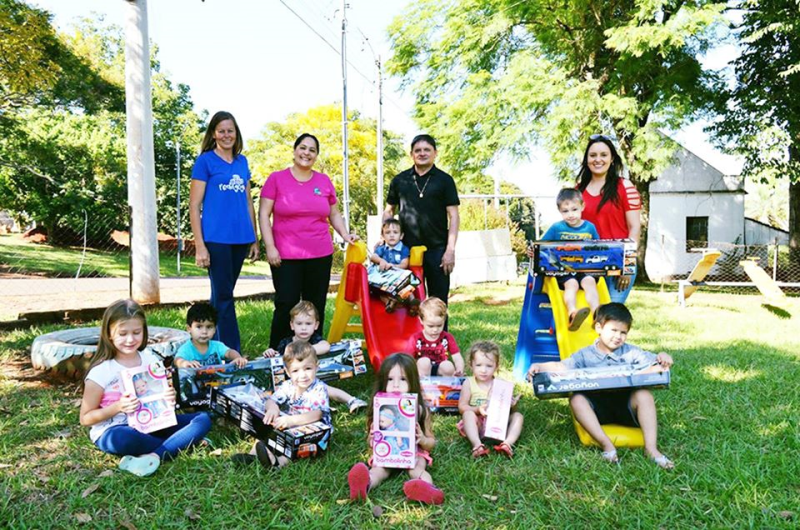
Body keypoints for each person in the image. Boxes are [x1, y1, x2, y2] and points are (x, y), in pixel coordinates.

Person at [526, 303, 674, 469]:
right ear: (599, 328)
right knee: (576, 399)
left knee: (644, 395)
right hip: (597, 411)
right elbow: (562, 366)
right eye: (613, 330)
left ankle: (651, 449)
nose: (618, 336)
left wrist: (663, 356)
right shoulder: (585, 354)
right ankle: (607, 445)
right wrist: (540, 366)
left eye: (623, 332)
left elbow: (656, 361)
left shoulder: (630, 352)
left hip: (625, 407)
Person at [79, 300, 212, 477]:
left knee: (202, 419)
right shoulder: (101, 371)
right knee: (124, 439)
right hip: (116, 429)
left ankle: (154, 455)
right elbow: (86, 418)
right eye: (122, 333)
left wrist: (169, 397)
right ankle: (180, 444)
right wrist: (118, 407)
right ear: (109, 334)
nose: (130, 339)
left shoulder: (150, 360)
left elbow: (160, 397)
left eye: (136, 332)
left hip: (152, 423)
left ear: (144, 332)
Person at [259, 133, 358, 348]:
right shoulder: (277, 179)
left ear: (316, 156)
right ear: (294, 151)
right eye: (303, 148)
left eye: (312, 150)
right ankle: (278, 352)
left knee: (315, 305)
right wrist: (270, 247)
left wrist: (345, 234)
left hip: (320, 253)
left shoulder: (323, 181)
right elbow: (263, 214)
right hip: (285, 254)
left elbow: (334, 214)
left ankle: (313, 354)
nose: (307, 153)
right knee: (286, 304)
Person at [189, 111, 259, 353]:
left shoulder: (242, 162)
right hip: (216, 239)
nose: (226, 135)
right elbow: (194, 205)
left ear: (236, 133)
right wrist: (200, 245)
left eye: (231, 130)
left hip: (240, 239)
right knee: (224, 297)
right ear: (214, 134)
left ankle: (208, 345)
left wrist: (254, 238)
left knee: (221, 296)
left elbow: (249, 201)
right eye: (221, 131)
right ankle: (231, 352)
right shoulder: (205, 161)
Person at [347, 353, 445, 505]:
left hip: (413, 452)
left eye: (403, 379)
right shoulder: (380, 407)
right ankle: (364, 486)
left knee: (416, 469)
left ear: (413, 382)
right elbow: (370, 441)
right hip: (387, 451)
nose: (396, 385)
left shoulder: (420, 409)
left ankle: (427, 489)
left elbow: (431, 442)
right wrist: (372, 438)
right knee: (379, 469)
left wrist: (423, 440)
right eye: (390, 379)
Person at [384, 134, 459, 325]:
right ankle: (410, 341)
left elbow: (454, 216)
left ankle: (439, 343)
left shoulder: (445, 180)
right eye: (418, 150)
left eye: (427, 150)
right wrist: (387, 238)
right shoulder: (400, 180)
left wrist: (450, 250)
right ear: (411, 154)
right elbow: (389, 210)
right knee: (407, 298)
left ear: (435, 153)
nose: (422, 153)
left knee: (438, 300)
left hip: (437, 250)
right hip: (405, 251)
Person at [233, 341, 331, 468]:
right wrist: (273, 409)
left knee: (292, 449)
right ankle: (254, 455)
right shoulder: (288, 386)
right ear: (288, 372)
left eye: (308, 368)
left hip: (314, 433)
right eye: (295, 371)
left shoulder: (319, 388)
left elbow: (317, 414)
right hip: (291, 426)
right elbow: (271, 400)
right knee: (267, 427)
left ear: (316, 367)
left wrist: (291, 420)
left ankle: (277, 464)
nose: (302, 375)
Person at [262, 301, 367, 413]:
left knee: (326, 389)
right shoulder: (286, 343)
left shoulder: (314, 339)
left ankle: (352, 400)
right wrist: (270, 352)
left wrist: (305, 351)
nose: (303, 328)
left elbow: (326, 346)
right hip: (291, 383)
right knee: (281, 398)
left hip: (310, 380)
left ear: (316, 325)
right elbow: (277, 357)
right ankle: (320, 408)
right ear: (292, 325)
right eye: (299, 324)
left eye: (308, 324)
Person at [576, 135, 641, 303]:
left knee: (610, 319)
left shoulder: (625, 186)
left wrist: (627, 266)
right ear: (586, 159)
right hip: (587, 265)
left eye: (604, 155)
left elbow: (634, 228)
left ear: (612, 159)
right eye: (593, 155)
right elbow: (569, 229)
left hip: (618, 261)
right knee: (590, 320)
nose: (598, 159)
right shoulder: (577, 191)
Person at [541, 188, 601, 331]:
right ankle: (572, 313)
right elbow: (542, 246)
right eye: (565, 211)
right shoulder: (557, 228)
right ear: (560, 211)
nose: (571, 214)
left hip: (585, 268)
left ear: (582, 206)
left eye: (574, 209)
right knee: (572, 284)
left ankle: (597, 314)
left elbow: (600, 246)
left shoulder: (590, 228)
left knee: (590, 282)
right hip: (564, 268)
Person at [457, 341, 523, 459]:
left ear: (496, 366)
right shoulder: (469, 383)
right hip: (478, 424)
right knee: (468, 414)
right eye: (479, 365)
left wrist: (511, 405)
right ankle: (477, 445)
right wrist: (477, 409)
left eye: (489, 366)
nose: (483, 370)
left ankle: (507, 444)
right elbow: (462, 407)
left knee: (518, 416)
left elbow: (507, 410)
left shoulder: (501, 384)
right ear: (471, 365)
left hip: (499, 424)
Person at [369, 218, 421, 314]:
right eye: (388, 232)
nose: (392, 235)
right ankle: (388, 302)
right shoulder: (382, 249)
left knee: (407, 281)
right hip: (384, 279)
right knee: (377, 290)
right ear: (383, 236)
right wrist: (381, 261)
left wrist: (393, 266)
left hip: (397, 277)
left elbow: (404, 264)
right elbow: (373, 257)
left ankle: (412, 302)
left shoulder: (403, 249)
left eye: (395, 232)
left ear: (401, 236)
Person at [174, 302, 248, 368]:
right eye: (199, 327)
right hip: (195, 383)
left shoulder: (217, 346)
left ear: (215, 329)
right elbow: (177, 360)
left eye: (209, 327)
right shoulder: (186, 349)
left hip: (219, 382)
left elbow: (229, 352)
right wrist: (184, 363)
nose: (204, 332)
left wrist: (238, 358)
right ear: (189, 328)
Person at [405, 297, 464, 377]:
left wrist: (459, 370)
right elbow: (407, 359)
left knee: (448, 366)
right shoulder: (416, 338)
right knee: (424, 362)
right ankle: (423, 386)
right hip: (422, 371)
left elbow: (457, 357)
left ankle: (447, 387)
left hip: (440, 369)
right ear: (421, 320)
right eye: (430, 326)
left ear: (444, 320)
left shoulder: (447, 337)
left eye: (439, 325)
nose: (435, 330)